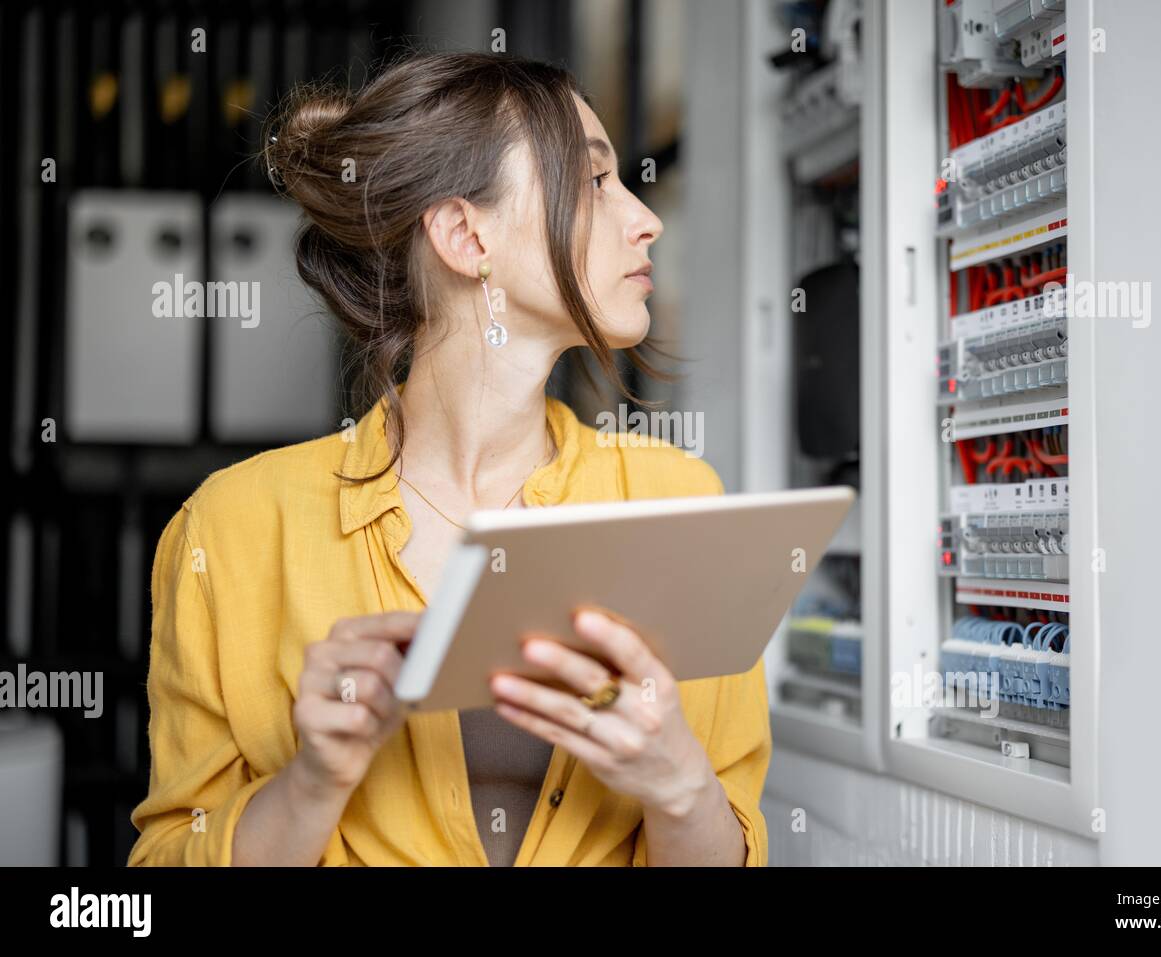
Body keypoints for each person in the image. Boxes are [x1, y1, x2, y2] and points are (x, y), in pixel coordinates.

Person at [127, 51, 770, 867]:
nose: (645, 218)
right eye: (594, 181)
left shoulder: (677, 500)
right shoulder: (232, 527)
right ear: (467, 236)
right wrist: (314, 780)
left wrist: (678, 784)